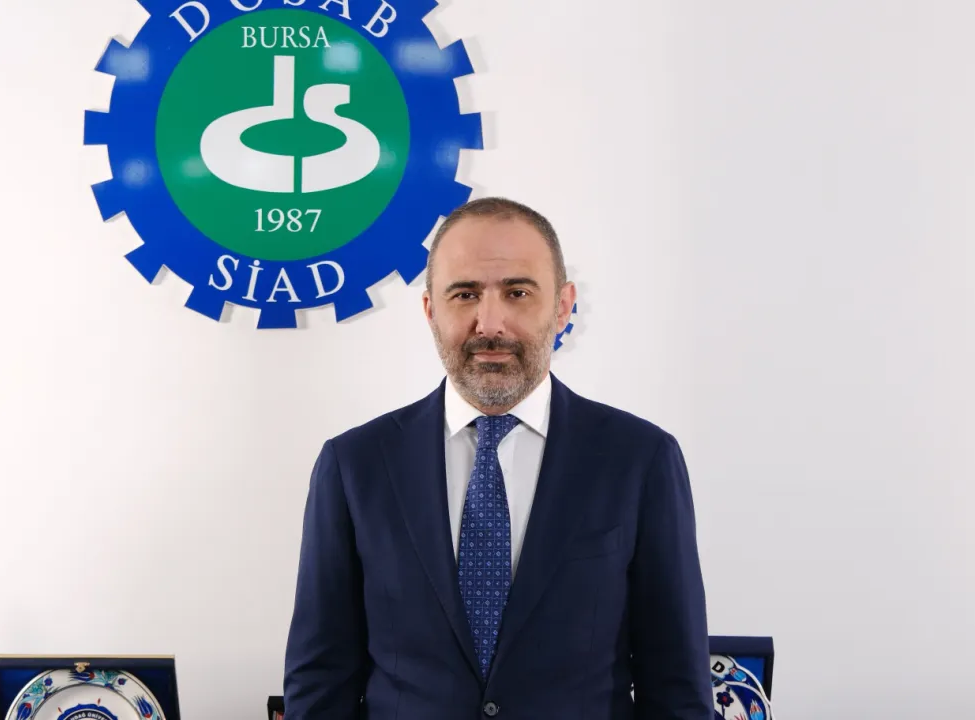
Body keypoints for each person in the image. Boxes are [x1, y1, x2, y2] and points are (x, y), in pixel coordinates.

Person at [282, 197, 712, 718]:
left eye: (517, 292)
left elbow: (676, 685)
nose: (490, 323)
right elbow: (320, 679)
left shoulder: (641, 460)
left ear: (563, 305)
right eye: (465, 294)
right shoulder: (355, 465)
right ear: (430, 310)